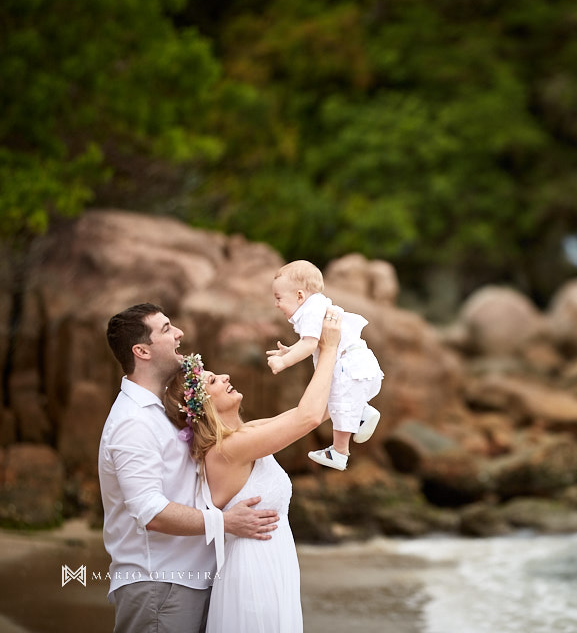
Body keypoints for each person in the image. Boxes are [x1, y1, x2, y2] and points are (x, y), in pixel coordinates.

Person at [100, 303, 281, 633]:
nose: (179, 333)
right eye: (167, 329)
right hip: (160, 583)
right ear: (141, 350)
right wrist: (225, 522)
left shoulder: (163, 412)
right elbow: (150, 511)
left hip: (188, 581)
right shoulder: (132, 421)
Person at [163, 307, 342, 632]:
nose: (226, 377)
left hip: (273, 567)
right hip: (254, 578)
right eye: (214, 381)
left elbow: (323, 410)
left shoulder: (245, 435)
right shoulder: (227, 450)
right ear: (203, 406)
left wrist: (326, 351)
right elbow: (308, 418)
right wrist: (328, 349)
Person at [266, 259, 384, 471]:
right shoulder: (317, 305)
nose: (276, 304)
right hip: (361, 362)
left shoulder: (310, 310)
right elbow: (312, 341)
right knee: (340, 399)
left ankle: (339, 452)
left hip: (350, 366)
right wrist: (290, 350)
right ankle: (363, 413)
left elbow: (310, 344)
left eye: (278, 298)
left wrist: (284, 361)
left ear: (300, 295)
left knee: (338, 403)